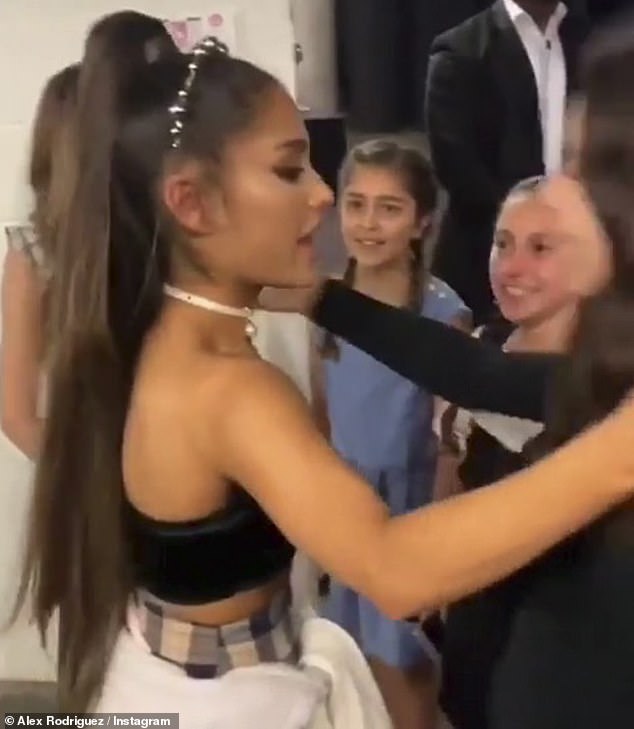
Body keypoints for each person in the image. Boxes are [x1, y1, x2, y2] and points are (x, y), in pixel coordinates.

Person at [13, 20, 634, 723]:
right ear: (191, 202)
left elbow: (484, 377)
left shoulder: (173, 343)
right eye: (289, 171)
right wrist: (614, 456)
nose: (321, 196)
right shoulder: (227, 387)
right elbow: (394, 567)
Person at [319, 139, 470, 729]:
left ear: (422, 221)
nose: (368, 223)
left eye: (389, 208)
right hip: (343, 510)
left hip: (408, 514)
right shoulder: (327, 299)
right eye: (356, 204)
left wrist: (438, 545)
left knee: (402, 672)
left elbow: (452, 444)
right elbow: (322, 408)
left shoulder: (441, 315)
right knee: (347, 664)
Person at [435, 175, 584, 729]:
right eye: (503, 243)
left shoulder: (601, 388)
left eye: (540, 248)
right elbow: (452, 469)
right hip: (475, 622)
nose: (511, 267)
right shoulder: (481, 348)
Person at [425, 0, 589, 323]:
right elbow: (458, 169)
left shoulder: (590, 40)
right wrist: (536, 229)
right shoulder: (460, 51)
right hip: (487, 264)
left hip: (580, 256)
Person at [1, 64, 78, 459]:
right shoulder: (34, 252)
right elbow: (16, 415)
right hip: (89, 468)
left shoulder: (158, 234)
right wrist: (85, 479)